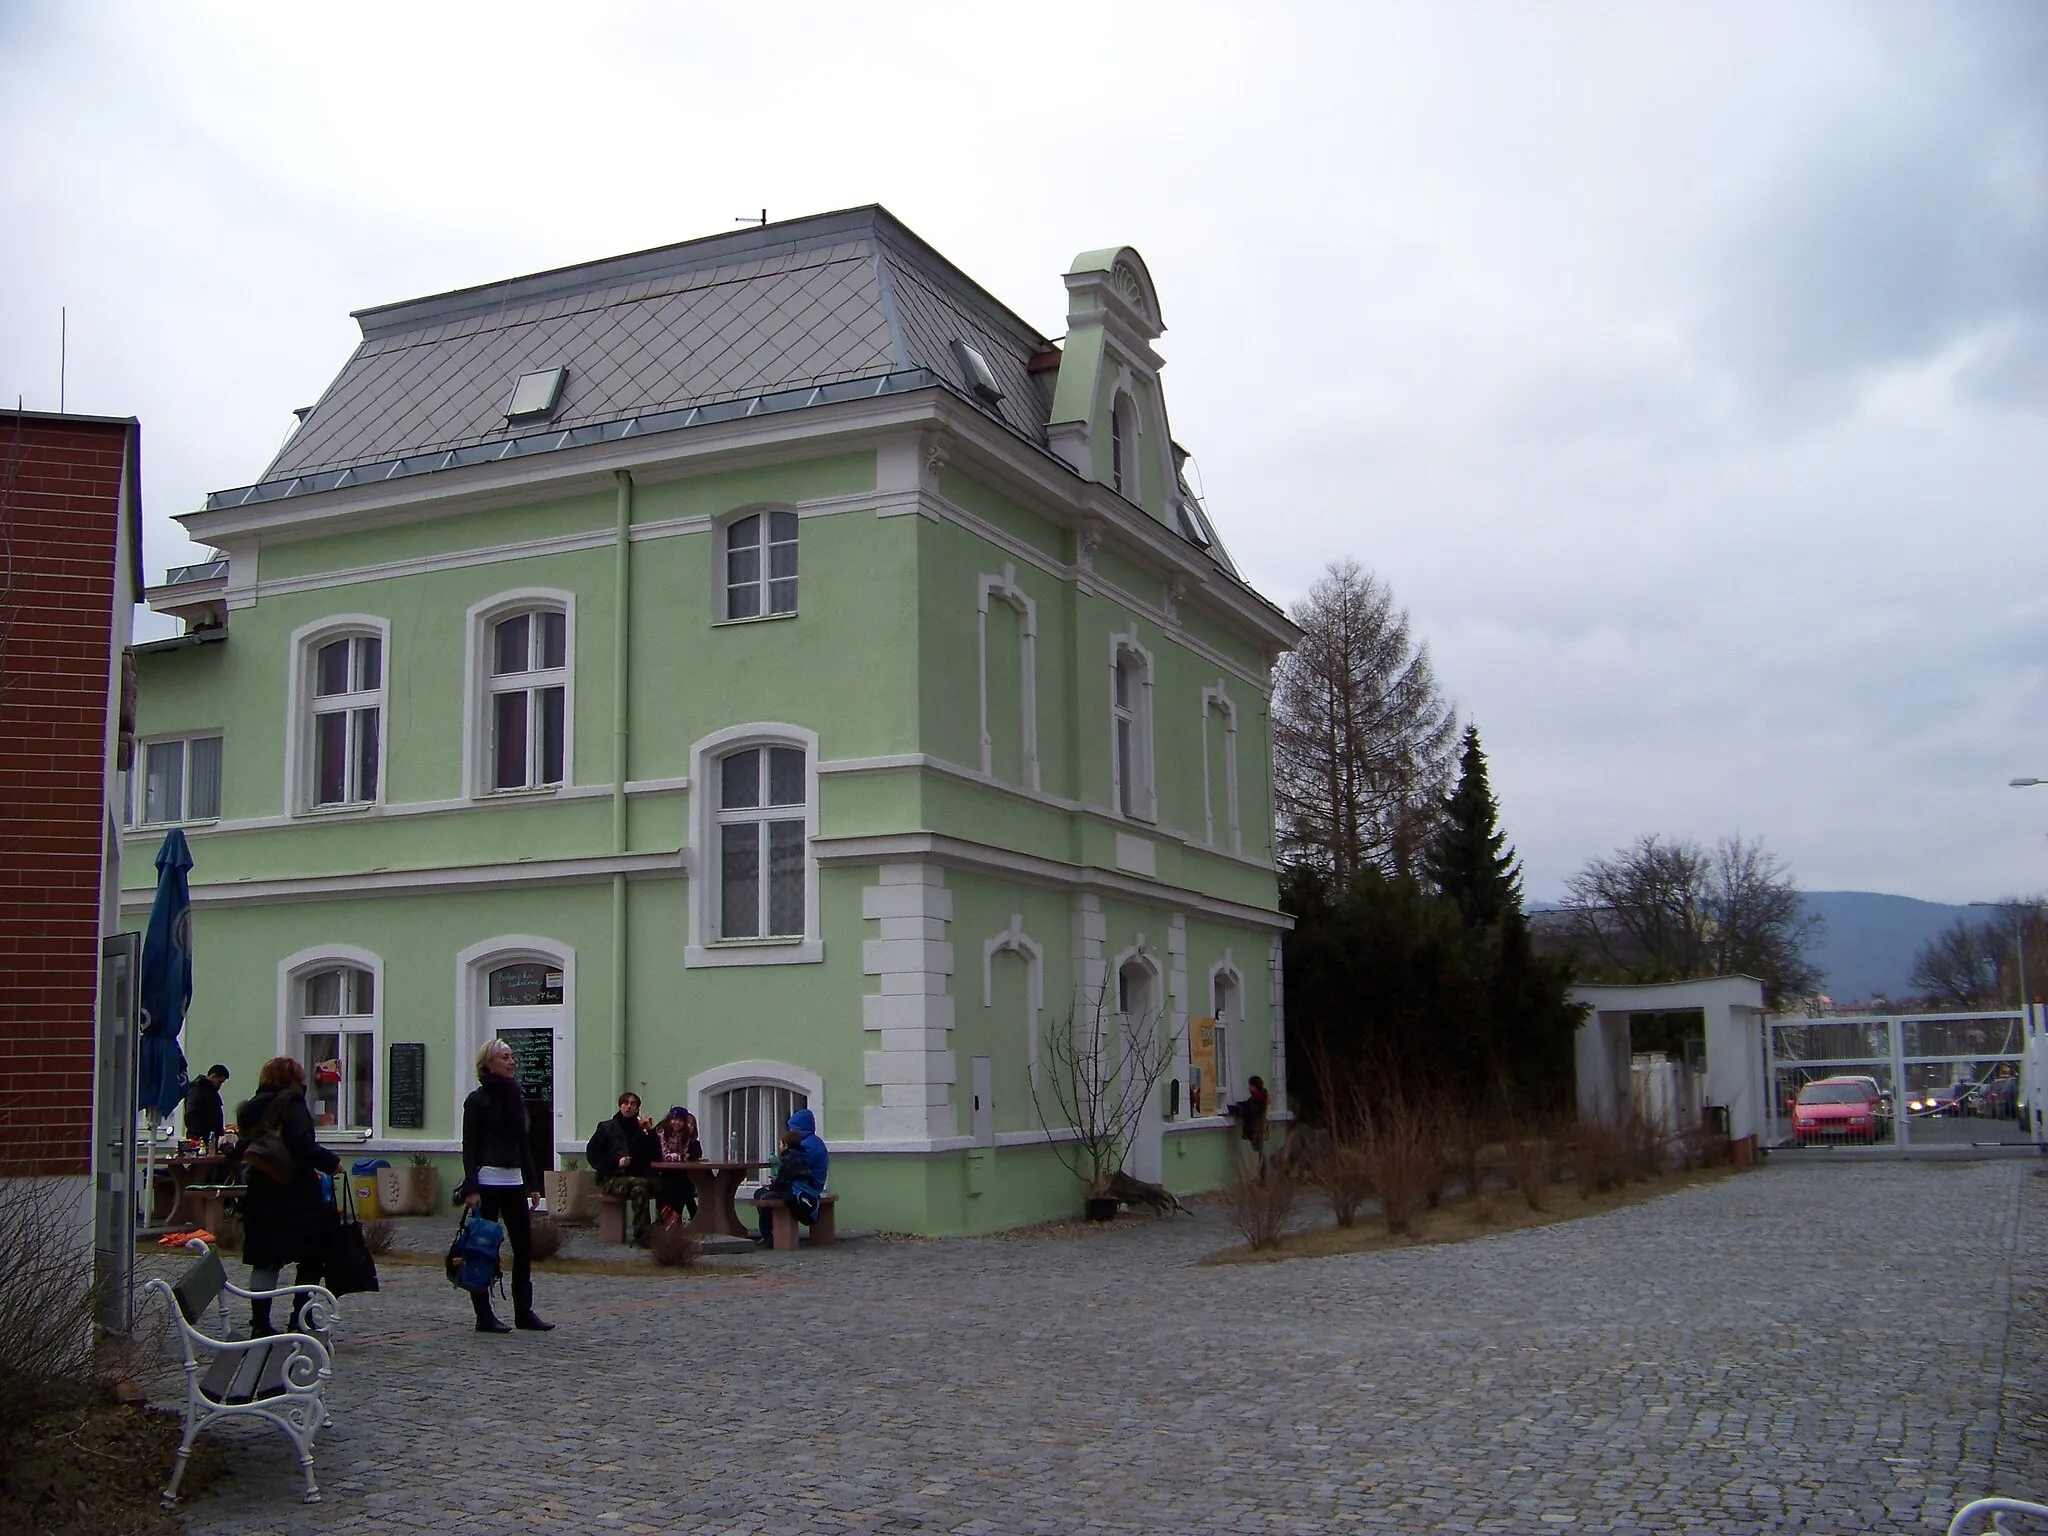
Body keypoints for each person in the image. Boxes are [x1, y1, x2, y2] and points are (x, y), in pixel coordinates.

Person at [233, 1057, 339, 1337]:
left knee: (265, 1259)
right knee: (312, 1255)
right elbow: (301, 1143)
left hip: (260, 1190)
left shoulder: (253, 1107)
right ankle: (300, 1316)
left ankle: (260, 1323)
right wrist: (331, 1162)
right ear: (295, 1078)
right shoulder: (292, 1103)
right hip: (294, 1192)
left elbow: (242, 1146)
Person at [461, 1038, 552, 1333]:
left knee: (523, 1246)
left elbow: (523, 1142)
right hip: (487, 1179)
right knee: (483, 1247)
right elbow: (470, 1144)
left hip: (514, 1180)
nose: (511, 1062)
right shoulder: (477, 1100)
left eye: (513, 1057)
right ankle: (483, 1314)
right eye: (504, 1057)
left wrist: (533, 1183)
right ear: (488, 1064)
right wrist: (471, 1186)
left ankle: (523, 1311)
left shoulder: (516, 1097)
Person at [586, 1091, 661, 1246]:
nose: (628, 1107)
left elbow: (655, 1155)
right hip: (610, 1179)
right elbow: (593, 1155)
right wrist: (615, 1162)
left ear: (637, 1109)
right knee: (639, 1186)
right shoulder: (607, 1128)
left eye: (633, 1104)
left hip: (635, 1177)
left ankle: (664, 1228)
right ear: (620, 1106)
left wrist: (651, 1132)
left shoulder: (641, 1131)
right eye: (625, 1103)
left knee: (664, 1185)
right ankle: (643, 1234)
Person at [752, 1108, 828, 1246]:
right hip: (803, 1185)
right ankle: (769, 1233)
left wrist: (776, 1183)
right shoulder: (810, 1143)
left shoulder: (804, 1148)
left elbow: (793, 1173)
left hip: (805, 1188)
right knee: (762, 1194)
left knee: (764, 1196)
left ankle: (769, 1235)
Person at [653, 1105, 702, 1221]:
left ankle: (677, 1218)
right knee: (674, 1187)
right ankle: (685, 1216)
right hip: (661, 1171)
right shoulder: (661, 1132)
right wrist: (680, 1157)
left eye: (681, 1120)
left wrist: (680, 1156)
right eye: (674, 1119)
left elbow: (685, 1153)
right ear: (669, 1119)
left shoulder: (685, 1136)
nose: (677, 1123)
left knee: (684, 1185)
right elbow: (665, 1155)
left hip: (678, 1171)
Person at [1228, 1076, 1272, 1167]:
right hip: (1259, 1128)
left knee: (1259, 1151)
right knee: (1259, 1151)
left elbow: (1248, 1111)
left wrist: (1233, 1110)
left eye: (1250, 1086)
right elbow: (1248, 1105)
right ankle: (1262, 1172)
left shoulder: (1258, 1099)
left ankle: (1263, 1173)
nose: (1249, 1088)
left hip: (1256, 1129)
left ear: (1254, 1086)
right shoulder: (1261, 1097)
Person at [184, 1063, 231, 1147]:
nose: (220, 1085)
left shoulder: (210, 1091)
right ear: (213, 1076)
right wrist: (202, 1132)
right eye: (219, 1082)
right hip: (200, 1138)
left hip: (209, 1136)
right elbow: (190, 1114)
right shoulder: (197, 1090)